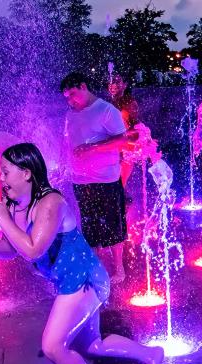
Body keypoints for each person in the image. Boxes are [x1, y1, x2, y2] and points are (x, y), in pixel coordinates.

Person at [0, 143, 163, 364]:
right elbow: (14, 247)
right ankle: (150, 354)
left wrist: (1, 219)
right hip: (70, 282)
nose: (0, 178)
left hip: (84, 280)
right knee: (92, 346)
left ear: (26, 173)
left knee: (52, 346)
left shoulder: (51, 203)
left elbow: (33, 249)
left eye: (5, 172)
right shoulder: (16, 206)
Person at [61, 72, 135, 284]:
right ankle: (95, 268)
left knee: (114, 224)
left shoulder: (106, 110)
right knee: (89, 225)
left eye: (73, 94)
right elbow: (67, 141)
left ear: (84, 87)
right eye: (66, 97)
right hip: (81, 180)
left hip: (106, 179)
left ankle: (119, 269)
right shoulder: (71, 113)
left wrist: (92, 148)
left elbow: (122, 140)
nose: (70, 100)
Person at [107, 73, 140, 187]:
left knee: (121, 180)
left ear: (125, 85)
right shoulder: (107, 103)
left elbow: (136, 127)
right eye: (111, 82)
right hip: (112, 146)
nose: (113, 85)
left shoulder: (129, 102)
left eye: (117, 81)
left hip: (125, 146)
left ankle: (122, 195)